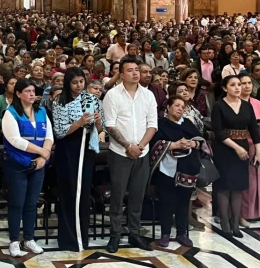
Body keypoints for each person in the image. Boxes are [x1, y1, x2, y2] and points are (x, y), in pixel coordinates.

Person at [103, 59, 158, 253]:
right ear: (121, 73)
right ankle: (115, 235)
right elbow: (110, 125)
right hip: (120, 153)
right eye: (130, 70)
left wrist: (140, 146)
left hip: (142, 152)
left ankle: (134, 234)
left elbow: (152, 124)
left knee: (137, 195)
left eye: (137, 70)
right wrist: (127, 145)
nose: (135, 73)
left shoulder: (148, 95)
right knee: (117, 196)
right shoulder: (112, 95)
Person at [51, 67, 104, 251]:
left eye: (81, 81)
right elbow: (59, 131)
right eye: (75, 82)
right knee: (69, 192)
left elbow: (101, 127)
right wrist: (79, 123)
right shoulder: (59, 101)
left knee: (83, 194)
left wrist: (96, 122)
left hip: (86, 148)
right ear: (68, 83)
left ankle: (82, 237)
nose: (79, 85)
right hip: (67, 150)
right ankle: (68, 238)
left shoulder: (92, 99)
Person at [1, 79, 53, 257]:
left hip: (39, 164)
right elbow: (15, 140)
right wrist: (43, 152)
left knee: (32, 203)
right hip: (18, 164)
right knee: (17, 203)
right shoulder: (10, 113)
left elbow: (49, 135)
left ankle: (29, 238)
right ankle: (14, 240)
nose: (32, 94)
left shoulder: (41, 111)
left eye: (33, 91)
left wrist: (42, 157)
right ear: (18, 94)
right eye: (28, 91)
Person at [211, 75, 260, 237]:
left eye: (239, 84)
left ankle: (235, 224)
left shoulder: (247, 106)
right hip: (225, 148)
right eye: (233, 85)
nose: (238, 87)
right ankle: (225, 222)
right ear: (225, 88)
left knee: (239, 186)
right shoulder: (219, 106)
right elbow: (218, 132)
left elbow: (254, 130)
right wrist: (236, 148)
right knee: (225, 186)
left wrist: (259, 153)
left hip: (243, 147)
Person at [150, 95, 204, 248]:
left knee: (183, 202)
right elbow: (155, 143)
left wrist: (191, 143)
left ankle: (182, 233)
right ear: (168, 107)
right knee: (167, 202)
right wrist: (174, 145)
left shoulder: (187, 123)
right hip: (167, 169)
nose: (180, 108)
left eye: (183, 106)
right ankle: (165, 234)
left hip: (187, 170)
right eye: (177, 105)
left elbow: (200, 140)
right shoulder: (160, 124)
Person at [238, 73, 260, 225]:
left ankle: (256, 211)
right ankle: (243, 212)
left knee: (257, 178)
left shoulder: (258, 103)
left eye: (249, 83)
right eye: (243, 83)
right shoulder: (235, 103)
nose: (247, 86)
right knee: (246, 179)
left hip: (257, 144)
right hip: (241, 144)